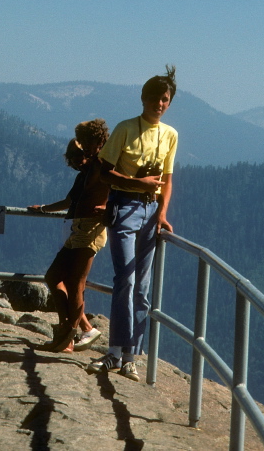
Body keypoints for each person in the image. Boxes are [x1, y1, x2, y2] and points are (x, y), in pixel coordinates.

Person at [87, 65, 178, 382]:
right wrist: (138, 184)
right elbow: (103, 171)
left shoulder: (170, 135)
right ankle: (115, 352)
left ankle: (131, 357)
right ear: (144, 98)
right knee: (124, 280)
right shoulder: (126, 129)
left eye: (165, 99)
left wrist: (163, 213)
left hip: (150, 212)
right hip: (123, 206)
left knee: (142, 288)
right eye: (156, 98)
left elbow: (166, 180)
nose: (160, 103)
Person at [29, 119, 111, 353]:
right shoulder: (87, 171)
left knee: (76, 283)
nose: (82, 148)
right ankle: (67, 330)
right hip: (77, 229)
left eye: (85, 142)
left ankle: (67, 338)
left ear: (98, 140)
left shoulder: (105, 162)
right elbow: (69, 201)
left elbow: (119, 186)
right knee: (54, 275)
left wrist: (110, 207)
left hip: (91, 229)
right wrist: (43, 208)